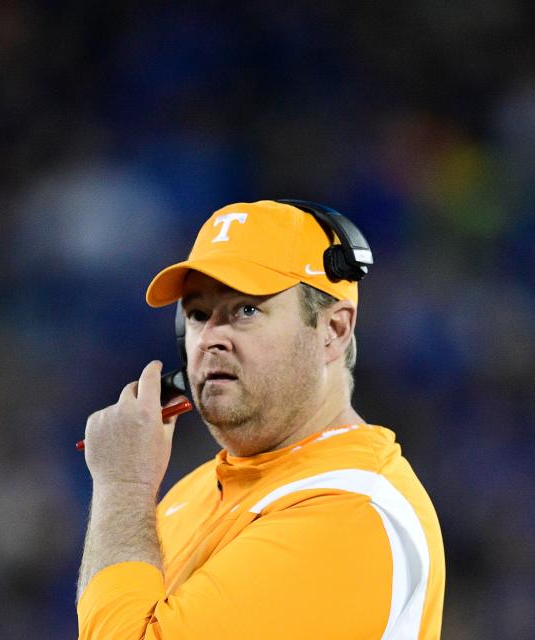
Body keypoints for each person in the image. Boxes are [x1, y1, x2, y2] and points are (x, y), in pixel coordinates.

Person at [75, 200, 445, 639]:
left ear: (334, 330)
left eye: (246, 310)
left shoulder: (352, 510)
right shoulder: (196, 490)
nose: (211, 339)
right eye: (197, 315)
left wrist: (123, 487)